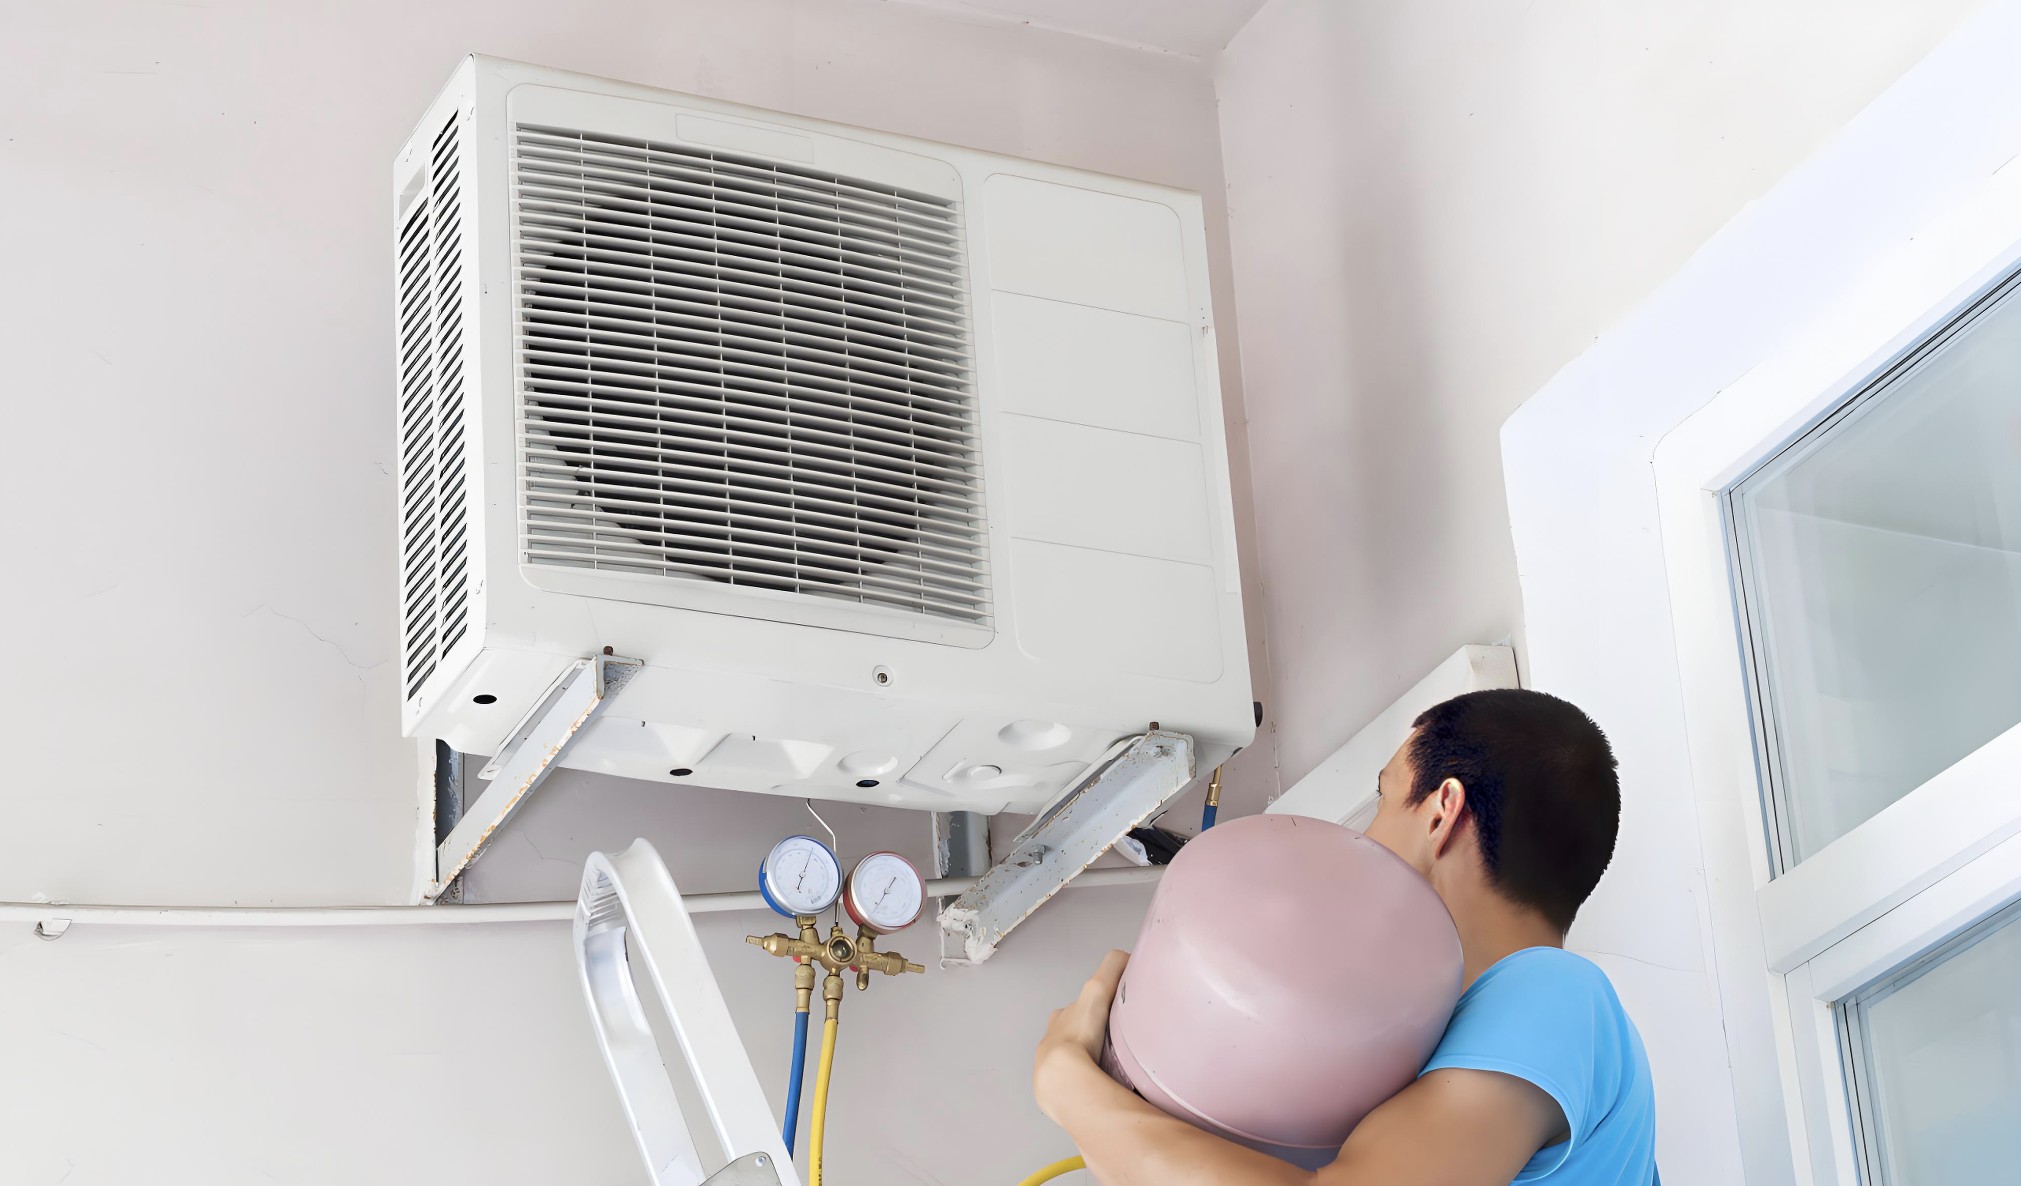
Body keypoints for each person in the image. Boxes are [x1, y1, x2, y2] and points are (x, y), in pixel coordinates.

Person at [1032, 689, 1659, 1185]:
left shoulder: (1554, 993)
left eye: (1384, 798)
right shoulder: (1435, 1032)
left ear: (1441, 813)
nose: (1364, 835)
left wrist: (1069, 1087)